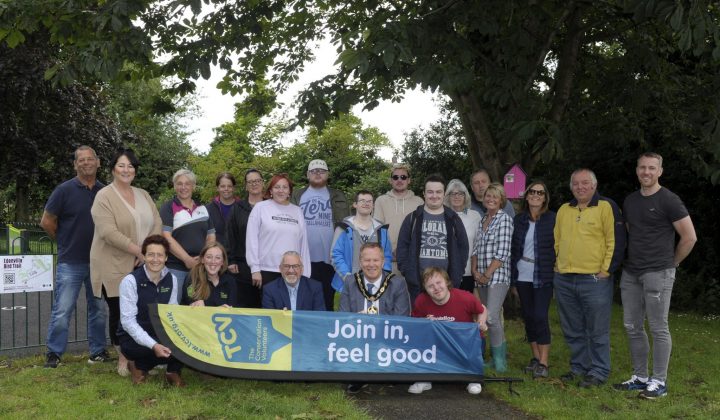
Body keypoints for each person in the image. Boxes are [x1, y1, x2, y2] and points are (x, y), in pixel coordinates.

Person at [613, 153, 696, 399]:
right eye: (642, 167)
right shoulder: (630, 201)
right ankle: (640, 377)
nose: (646, 172)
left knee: (659, 328)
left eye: (651, 168)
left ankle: (659, 382)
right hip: (631, 272)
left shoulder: (670, 200)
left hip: (658, 272)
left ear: (660, 171)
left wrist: (672, 264)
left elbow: (689, 237)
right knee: (632, 326)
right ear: (636, 170)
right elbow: (631, 233)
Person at [90, 148, 162, 377]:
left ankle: (142, 356)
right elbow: (108, 232)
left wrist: (149, 253)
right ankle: (124, 358)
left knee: (141, 310)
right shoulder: (104, 196)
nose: (126, 170)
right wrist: (140, 252)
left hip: (143, 263)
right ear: (112, 168)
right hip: (113, 263)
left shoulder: (143, 194)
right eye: (121, 165)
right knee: (121, 312)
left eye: (131, 166)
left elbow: (157, 223)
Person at [554, 168, 625, 388]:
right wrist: (558, 264)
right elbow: (557, 239)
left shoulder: (606, 206)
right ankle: (579, 367)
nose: (580, 187)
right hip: (565, 279)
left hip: (594, 280)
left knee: (597, 329)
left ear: (594, 185)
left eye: (585, 183)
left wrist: (606, 270)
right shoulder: (564, 210)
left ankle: (599, 370)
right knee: (573, 328)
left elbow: (616, 240)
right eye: (575, 183)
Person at [42, 146, 108, 368]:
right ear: (75, 165)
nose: (86, 163)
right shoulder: (63, 190)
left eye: (91, 159)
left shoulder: (106, 191)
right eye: (81, 160)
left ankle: (98, 352)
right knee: (63, 309)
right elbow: (47, 221)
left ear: (98, 163)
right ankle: (54, 353)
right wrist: (63, 242)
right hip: (71, 261)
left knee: (98, 310)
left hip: (99, 261)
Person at [339, 243, 411, 394]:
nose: (371, 264)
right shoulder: (350, 282)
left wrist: (376, 324)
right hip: (358, 338)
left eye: (376, 260)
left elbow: (402, 320)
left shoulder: (397, 283)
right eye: (367, 260)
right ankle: (358, 376)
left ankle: (386, 370)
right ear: (360, 262)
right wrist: (357, 320)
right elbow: (343, 317)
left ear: (383, 262)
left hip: (387, 338)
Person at [118, 235, 185, 387]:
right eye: (150, 254)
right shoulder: (130, 281)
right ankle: (138, 366)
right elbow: (128, 322)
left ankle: (172, 371)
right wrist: (154, 345)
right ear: (144, 256)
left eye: (160, 255)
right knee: (143, 348)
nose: (155, 259)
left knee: (183, 343)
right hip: (132, 337)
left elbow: (171, 313)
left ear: (166, 257)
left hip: (158, 332)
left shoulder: (172, 279)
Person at [408, 267, 488, 395]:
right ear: (426, 289)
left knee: (476, 345)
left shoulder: (465, 297)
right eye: (430, 286)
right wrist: (425, 322)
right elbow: (414, 327)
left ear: (446, 282)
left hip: (464, 343)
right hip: (438, 345)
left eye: (439, 283)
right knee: (420, 341)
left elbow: (482, 309)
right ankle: (424, 378)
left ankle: (473, 378)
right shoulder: (421, 301)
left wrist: (481, 322)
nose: (436, 288)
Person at [397, 174, 469, 303]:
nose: (434, 196)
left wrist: (457, 273)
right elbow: (402, 247)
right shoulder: (413, 218)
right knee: (420, 321)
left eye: (438, 192)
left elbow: (463, 248)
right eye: (430, 192)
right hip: (417, 285)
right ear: (424, 193)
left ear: (443, 194)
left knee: (445, 321)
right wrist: (407, 273)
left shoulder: (453, 219)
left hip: (446, 286)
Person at [510, 181, 556, 379]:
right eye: (532, 192)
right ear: (526, 196)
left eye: (540, 192)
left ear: (545, 197)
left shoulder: (552, 219)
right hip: (523, 274)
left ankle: (544, 362)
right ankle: (536, 358)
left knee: (540, 315)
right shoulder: (519, 220)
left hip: (544, 273)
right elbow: (513, 251)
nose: (536, 195)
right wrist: (512, 279)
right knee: (528, 316)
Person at [291, 159, 350, 310]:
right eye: (314, 171)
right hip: (302, 257)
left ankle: (326, 331)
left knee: (326, 300)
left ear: (328, 174)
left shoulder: (338, 196)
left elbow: (347, 225)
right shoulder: (296, 195)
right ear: (307, 175)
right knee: (302, 300)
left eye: (322, 171)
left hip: (329, 258)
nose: (318, 173)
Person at [470, 183, 513, 373]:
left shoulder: (504, 220)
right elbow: (476, 250)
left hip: (497, 277)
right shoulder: (482, 220)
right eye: (488, 196)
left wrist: (487, 274)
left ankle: (500, 361)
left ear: (501, 199)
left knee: (493, 317)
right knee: (486, 318)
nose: (491, 199)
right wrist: (475, 271)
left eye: (495, 197)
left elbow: (502, 253)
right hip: (481, 277)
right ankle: (496, 358)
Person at [246, 173, 311, 289]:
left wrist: (305, 272)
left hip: (292, 270)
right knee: (270, 306)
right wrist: (254, 268)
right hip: (267, 270)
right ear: (271, 190)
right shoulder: (260, 208)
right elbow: (251, 240)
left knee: (291, 306)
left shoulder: (297, 211)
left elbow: (303, 245)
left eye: (285, 187)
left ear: (289, 191)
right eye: (277, 187)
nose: (281, 190)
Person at [160, 169, 216, 284]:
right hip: (175, 268)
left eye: (187, 184)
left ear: (193, 186)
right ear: (175, 186)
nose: (183, 187)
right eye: (179, 184)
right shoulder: (168, 207)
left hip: (200, 267)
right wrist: (187, 259)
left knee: (197, 302)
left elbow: (211, 237)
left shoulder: (203, 209)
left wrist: (203, 258)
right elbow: (166, 237)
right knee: (174, 302)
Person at [331, 190, 392, 292]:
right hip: (349, 282)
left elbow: (386, 256)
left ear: (373, 205)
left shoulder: (382, 230)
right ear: (355, 204)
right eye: (362, 200)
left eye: (369, 201)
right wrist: (347, 278)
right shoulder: (343, 228)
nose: (366, 203)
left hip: (375, 283)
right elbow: (335, 255)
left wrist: (382, 278)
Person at [373, 163, 424, 278]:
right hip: (387, 261)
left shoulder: (419, 202)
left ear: (409, 180)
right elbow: (377, 231)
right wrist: (386, 253)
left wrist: (404, 252)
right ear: (390, 180)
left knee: (411, 295)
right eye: (395, 177)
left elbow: (420, 231)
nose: (399, 180)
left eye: (403, 177)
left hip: (412, 260)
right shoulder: (381, 201)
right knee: (388, 294)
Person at [227, 169, 265, 307]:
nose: (254, 184)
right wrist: (231, 260)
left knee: (266, 306)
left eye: (257, 181)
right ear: (246, 186)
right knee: (245, 306)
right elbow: (231, 234)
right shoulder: (238, 208)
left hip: (268, 265)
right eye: (250, 182)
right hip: (243, 266)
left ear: (262, 183)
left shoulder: (271, 206)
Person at [443, 179, 482, 293]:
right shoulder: (443, 215)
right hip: (446, 271)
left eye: (460, 193)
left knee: (465, 306)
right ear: (447, 197)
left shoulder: (475, 216)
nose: (457, 196)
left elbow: (479, 244)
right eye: (453, 193)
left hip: (468, 270)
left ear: (466, 196)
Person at [181, 242, 237, 307]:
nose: (213, 261)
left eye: (218, 258)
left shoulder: (230, 282)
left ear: (222, 262)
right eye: (209, 257)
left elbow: (232, 310)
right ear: (202, 259)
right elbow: (191, 306)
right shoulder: (192, 278)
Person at [205, 172, 239, 249]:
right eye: (222, 186)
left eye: (229, 186)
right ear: (217, 188)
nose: (226, 189)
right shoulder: (208, 209)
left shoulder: (242, 208)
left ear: (233, 188)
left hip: (238, 257)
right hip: (216, 256)